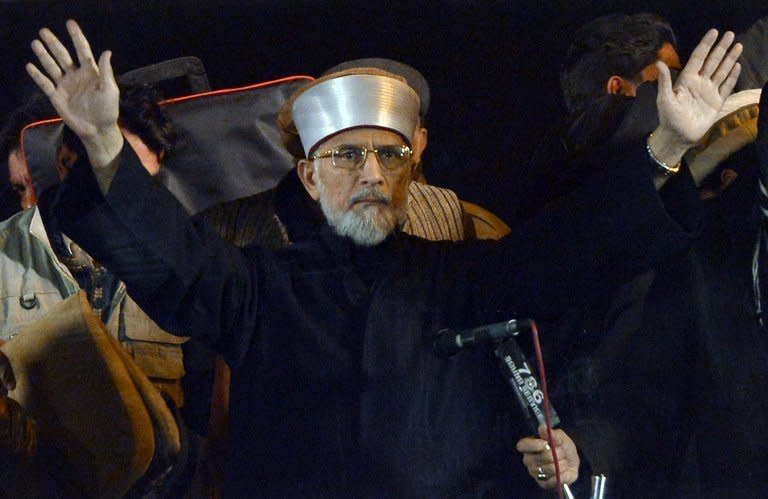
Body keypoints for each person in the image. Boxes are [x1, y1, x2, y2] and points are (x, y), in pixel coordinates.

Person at [20, 20, 738, 497]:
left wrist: (667, 146)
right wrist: (108, 145)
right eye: (347, 155)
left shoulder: (462, 275)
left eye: (389, 154)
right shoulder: (259, 289)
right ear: (308, 175)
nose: (371, 172)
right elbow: (174, 263)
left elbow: (570, 251)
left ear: (411, 169)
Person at [522, 12, 764, 498]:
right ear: (621, 91)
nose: (693, 94)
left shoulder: (683, 185)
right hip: (613, 458)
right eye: (672, 82)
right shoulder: (575, 179)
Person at [0, 84, 195, 496]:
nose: (130, 200)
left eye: (140, 183)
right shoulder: (4, 254)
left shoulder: (185, 257)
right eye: (117, 177)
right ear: (66, 161)